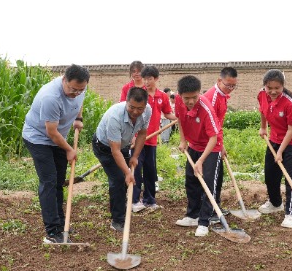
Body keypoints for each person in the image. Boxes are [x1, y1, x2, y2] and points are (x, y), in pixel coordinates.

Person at [23, 64, 89, 244]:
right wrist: (69, 149)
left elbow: (79, 101)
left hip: (59, 137)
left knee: (59, 180)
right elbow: (51, 132)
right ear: (64, 80)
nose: (76, 93)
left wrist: (78, 118)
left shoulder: (80, 88)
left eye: (80, 89)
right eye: (72, 89)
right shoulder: (51, 97)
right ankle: (52, 232)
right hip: (38, 138)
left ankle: (61, 224)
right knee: (49, 181)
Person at [93, 87, 151, 231]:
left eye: (140, 108)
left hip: (123, 145)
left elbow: (142, 134)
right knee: (118, 179)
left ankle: (117, 209)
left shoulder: (147, 110)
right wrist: (127, 172)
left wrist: (135, 157)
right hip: (105, 147)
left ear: (145, 105)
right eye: (132, 107)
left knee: (124, 184)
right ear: (126, 102)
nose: (136, 112)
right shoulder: (115, 116)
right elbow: (115, 150)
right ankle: (117, 220)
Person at [257, 69, 292, 229]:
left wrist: (280, 152)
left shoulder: (290, 103)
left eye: (277, 88)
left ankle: (291, 214)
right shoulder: (261, 95)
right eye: (269, 87)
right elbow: (263, 110)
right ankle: (275, 203)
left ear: (283, 87)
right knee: (270, 174)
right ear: (264, 86)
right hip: (274, 137)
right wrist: (263, 127)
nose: (273, 91)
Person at [174, 75, 223, 237]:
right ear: (180, 95)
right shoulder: (179, 103)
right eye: (186, 98)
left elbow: (213, 138)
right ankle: (192, 215)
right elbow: (180, 120)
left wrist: (201, 160)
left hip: (211, 148)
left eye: (194, 97)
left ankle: (204, 221)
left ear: (199, 93)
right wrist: (183, 140)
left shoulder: (206, 108)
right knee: (191, 181)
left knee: (208, 184)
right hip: (194, 145)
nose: (190, 101)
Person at [132, 65, 177, 212]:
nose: (146, 82)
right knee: (136, 170)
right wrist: (132, 136)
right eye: (144, 79)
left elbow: (167, 113)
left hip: (152, 141)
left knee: (150, 171)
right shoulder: (140, 94)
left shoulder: (162, 97)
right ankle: (134, 200)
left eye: (149, 79)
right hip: (138, 139)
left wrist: (179, 118)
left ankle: (150, 200)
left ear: (156, 79)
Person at [203, 67, 238, 221]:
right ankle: (210, 210)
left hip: (215, 141)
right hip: (209, 143)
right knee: (211, 177)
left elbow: (219, 125)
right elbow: (212, 126)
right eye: (227, 85)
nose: (230, 89)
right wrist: (218, 145)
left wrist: (221, 145)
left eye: (233, 86)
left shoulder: (222, 95)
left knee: (217, 176)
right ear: (219, 81)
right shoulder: (213, 97)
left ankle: (215, 206)